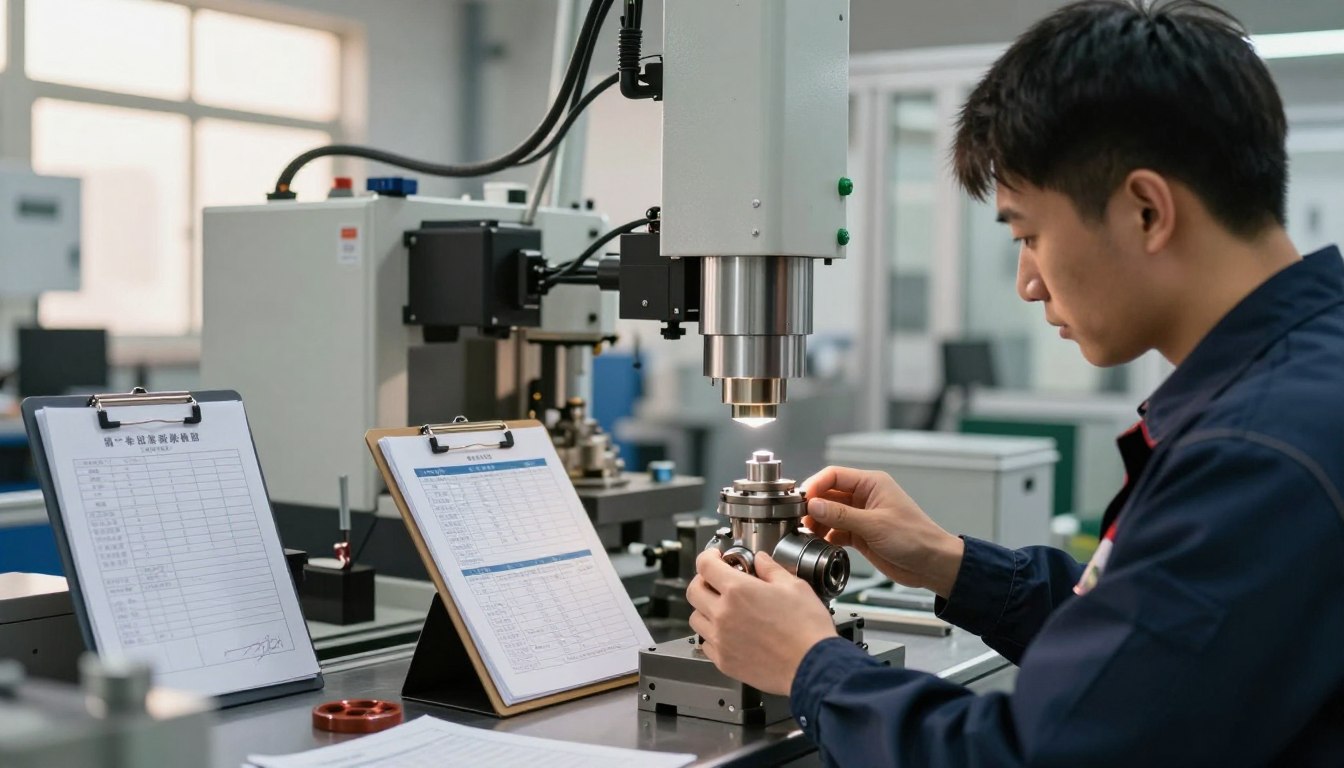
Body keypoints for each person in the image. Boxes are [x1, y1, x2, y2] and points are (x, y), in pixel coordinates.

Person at [685, 1, 1344, 765]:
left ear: (1146, 210)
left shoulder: (1257, 451)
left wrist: (809, 665)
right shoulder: (1302, 384)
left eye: (1029, 234)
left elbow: (1038, 757)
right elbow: (1154, 654)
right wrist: (949, 562)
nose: (1028, 283)